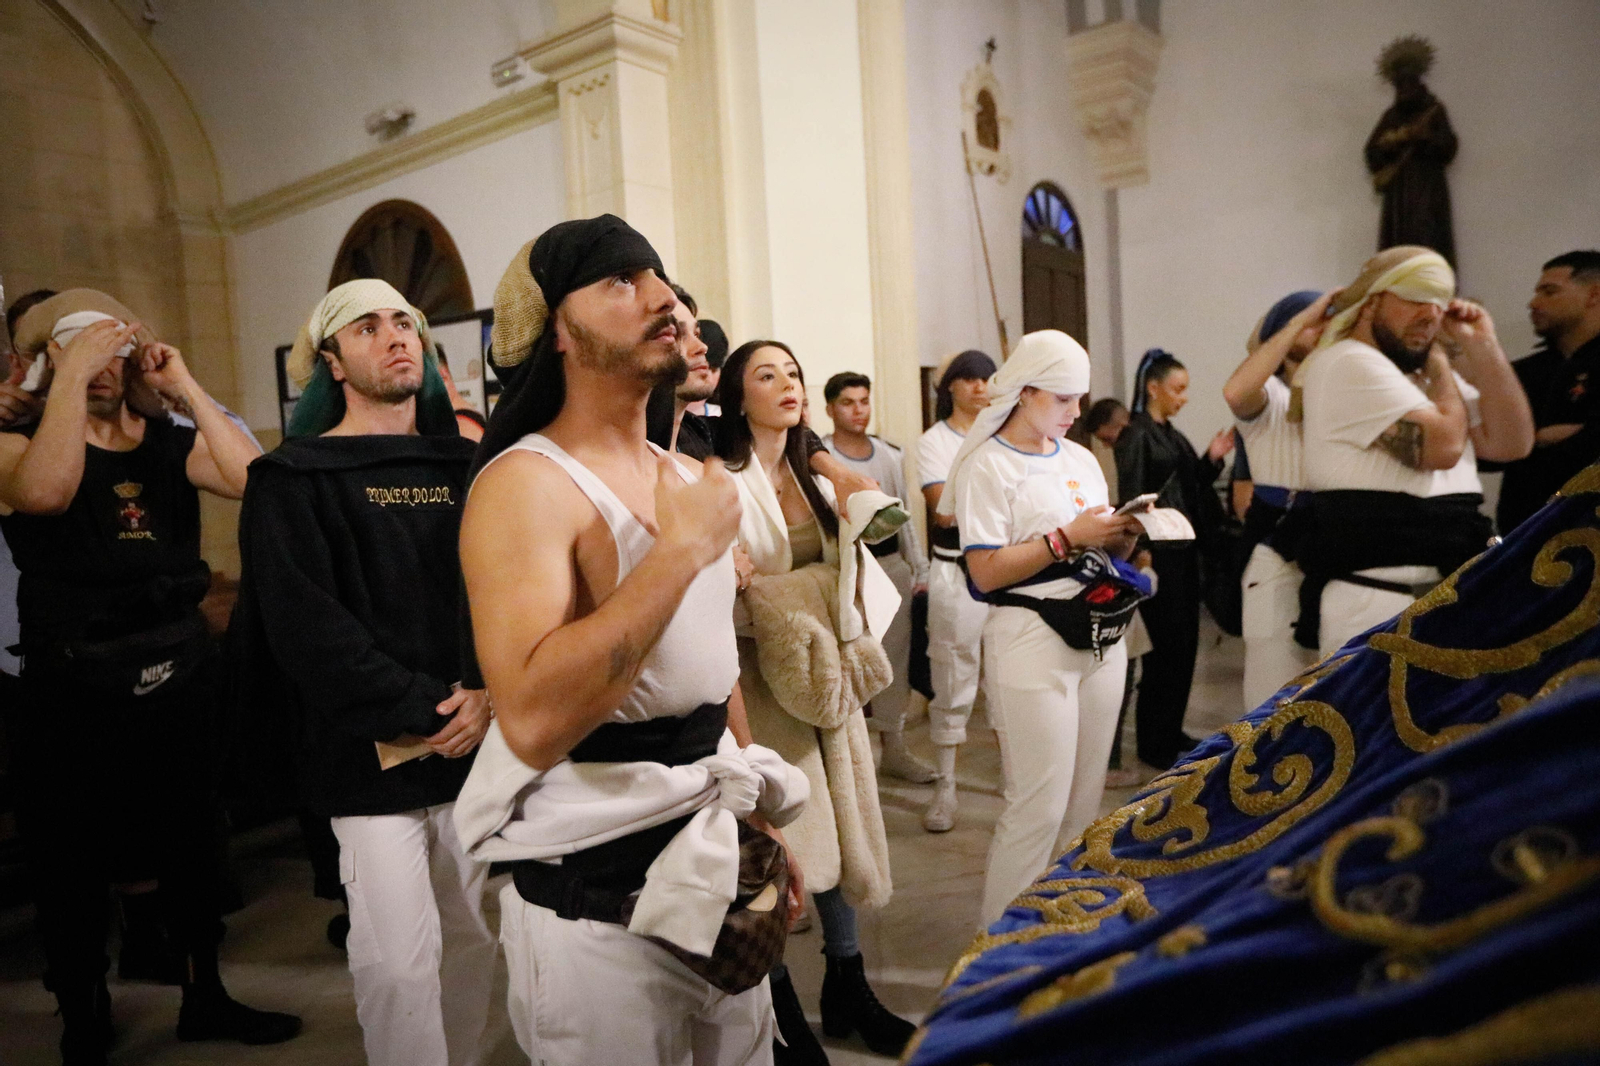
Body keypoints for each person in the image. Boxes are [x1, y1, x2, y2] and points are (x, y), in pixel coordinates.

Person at [453, 215, 807, 1066]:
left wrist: (756, 817)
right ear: (555, 332)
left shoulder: (686, 476)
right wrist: (678, 553)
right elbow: (532, 719)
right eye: (620, 280)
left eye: (660, 278)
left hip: (714, 858)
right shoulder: (526, 486)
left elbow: (713, 675)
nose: (664, 300)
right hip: (595, 904)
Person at [0, 290, 297, 1064]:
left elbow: (256, 477)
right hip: (72, 683)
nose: (104, 363)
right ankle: (83, 1010)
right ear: (47, 357)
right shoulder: (12, 441)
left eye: (113, 347)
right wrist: (67, 379)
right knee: (70, 858)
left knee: (195, 843)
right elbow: (45, 493)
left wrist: (184, 388)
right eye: (80, 346)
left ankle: (206, 993)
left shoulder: (164, 439)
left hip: (177, 672)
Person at [231, 279, 497, 1066]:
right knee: (398, 962)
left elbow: (503, 589)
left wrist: (487, 692)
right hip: (367, 754)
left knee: (474, 939)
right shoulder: (293, 478)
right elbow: (306, 627)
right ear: (333, 361)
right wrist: (425, 707)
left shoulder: (469, 466)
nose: (395, 336)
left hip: (475, 741)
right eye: (368, 327)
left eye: (405, 323)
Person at [718, 341, 913, 1063]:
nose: (787, 385)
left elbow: (867, 556)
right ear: (739, 396)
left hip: (827, 678)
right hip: (760, 681)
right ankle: (779, 1008)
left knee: (845, 823)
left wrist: (830, 466)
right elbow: (717, 593)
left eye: (794, 373)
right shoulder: (722, 480)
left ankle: (847, 983)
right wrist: (756, 591)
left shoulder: (818, 477)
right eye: (766, 375)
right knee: (782, 839)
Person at [943, 330, 1143, 926]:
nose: (1075, 412)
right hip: (1030, 637)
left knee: (1083, 810)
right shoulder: (989, 465)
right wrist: (1065, 538)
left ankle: (1061, 932)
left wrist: (1125, 533)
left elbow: (1099, 546)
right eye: (1062, 399)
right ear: (1025, 392)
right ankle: (999, 951)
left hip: (1100, 635)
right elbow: (984, 571)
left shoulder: (1080, 459)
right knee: (1037, 808)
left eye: (1079, 399)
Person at [1297, 246, 1533, 657]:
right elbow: (1442, 448)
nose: (1431, 314)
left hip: (1442, 589)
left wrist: (1483, 345)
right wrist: (1440, 362)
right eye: (1416, 297)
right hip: (1380, 598)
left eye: (1440, 302)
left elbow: (1511, 443)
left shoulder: (1421, 380)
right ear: (1371, 303)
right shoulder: (1349, 361)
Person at [1114, 350, 1233, 770]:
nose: (1184, 398)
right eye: (1178, 389)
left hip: (1182, 552)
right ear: (1154, 388)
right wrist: (1140, 552)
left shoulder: (1171, 434)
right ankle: (1154, 741)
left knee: (1183, 648)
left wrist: (1212, 457)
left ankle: (1170, 728)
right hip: (1158, 554)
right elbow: (1132, 494)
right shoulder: (1136, 434)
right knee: (1163, 650)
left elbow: (1191, 486)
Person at [1222, 289, 1337, 710]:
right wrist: (1298, 321)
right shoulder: (1269, 393)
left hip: (1331, 543)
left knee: (1327, 688)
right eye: (1314, 321)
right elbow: (1236, 393)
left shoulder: (1339, 392)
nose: (1323, 327)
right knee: (1272, 691)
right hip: (1277, 546)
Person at [822, 371, 934, 784]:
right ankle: (848, 758)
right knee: (845, 660)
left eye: (864, 401)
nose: (858, 410)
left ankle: (894, 747)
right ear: (831, 408)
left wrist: (918, 566)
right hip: (844, 570)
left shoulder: (888, 455)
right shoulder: (822, 456)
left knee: (893, 660)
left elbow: (904, 515)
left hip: (889, 567)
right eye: (848, 402)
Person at [914, 349, 996, 832]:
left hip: (1004, 571)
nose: (979, 387)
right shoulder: (935, 441)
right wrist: (996, 502)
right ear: (951, 387)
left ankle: (1018, 778)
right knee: (951, 675)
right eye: (969, 378)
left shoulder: (1003, 436)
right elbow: (942, 511)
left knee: (1007, 675)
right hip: (954, 568)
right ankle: (946, 784)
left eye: (986, 378)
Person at [1495, 250, 1600, 534]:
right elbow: (1490, 452)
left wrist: (1529, 442)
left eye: (1549, 291)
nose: (1533, 303)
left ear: (1594, 295)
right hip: (1523, 535)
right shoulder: (1524, 371)